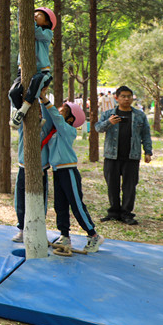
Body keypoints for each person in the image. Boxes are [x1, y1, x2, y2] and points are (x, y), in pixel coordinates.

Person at [40, 98, 104, 252]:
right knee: (60, 205)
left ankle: (93, 235)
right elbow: (52, 117)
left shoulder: (68, 130)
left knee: (76, 205)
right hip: (57, 171)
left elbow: (56, 118)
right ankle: (64, 236)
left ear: (70, 119)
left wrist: (46, 100)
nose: (59, 111)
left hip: (68, 171)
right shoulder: (55, 130)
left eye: (63, 111)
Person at [94, 85, 153, 225]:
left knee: (130, 186)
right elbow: (98, 128)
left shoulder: (139, 115)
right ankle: (113, 212)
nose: (126, 99)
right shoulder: (108, 114)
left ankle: (127, 214)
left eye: (129, 96)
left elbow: (146, 134)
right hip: (111, 156)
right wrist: (109, 122)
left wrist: (148, 151)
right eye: (123, 96)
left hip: (131, 156)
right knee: (112, 185)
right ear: (117, 98)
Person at [12, 102, 52, 243]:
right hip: (24, 167)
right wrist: (28, 100)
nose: (38, 113)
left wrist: (42, 98)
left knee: (40, 200)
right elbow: (17, 106)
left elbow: (48, 114)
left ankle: (38, 229)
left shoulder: (46, 126)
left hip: (41, 170)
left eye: (40, 111)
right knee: (20, 200)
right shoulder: (24, 124)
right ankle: (22, 229)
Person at [9, 7, 56, 127]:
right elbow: (22, 24)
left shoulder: (47, 33)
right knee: (14, 92)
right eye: (33, 14)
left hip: (42, 72)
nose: (35, 15)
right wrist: (21, 12)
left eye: (39, 15)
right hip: (22, 71)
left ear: (47, 22)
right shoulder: (25, 29)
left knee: (37, 80)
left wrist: (29, 19)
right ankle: (33, 116)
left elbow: (34, 31)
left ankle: (21, 112)